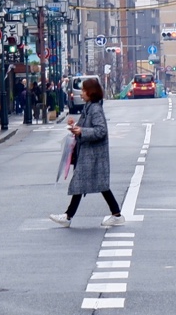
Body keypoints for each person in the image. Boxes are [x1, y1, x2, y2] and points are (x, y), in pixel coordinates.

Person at [52, 78, 123, 227]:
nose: (81, 93)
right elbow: (84, 126)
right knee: (95, 185)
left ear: (90, 93)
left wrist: (82, 131)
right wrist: (74, 125)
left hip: (93, 154)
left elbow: (101, 130)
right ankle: (115, 214)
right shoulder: (89, 107)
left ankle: (68, 216)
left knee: (83, 183)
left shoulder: (95, 109)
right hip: (90, 154)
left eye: (84, 90)